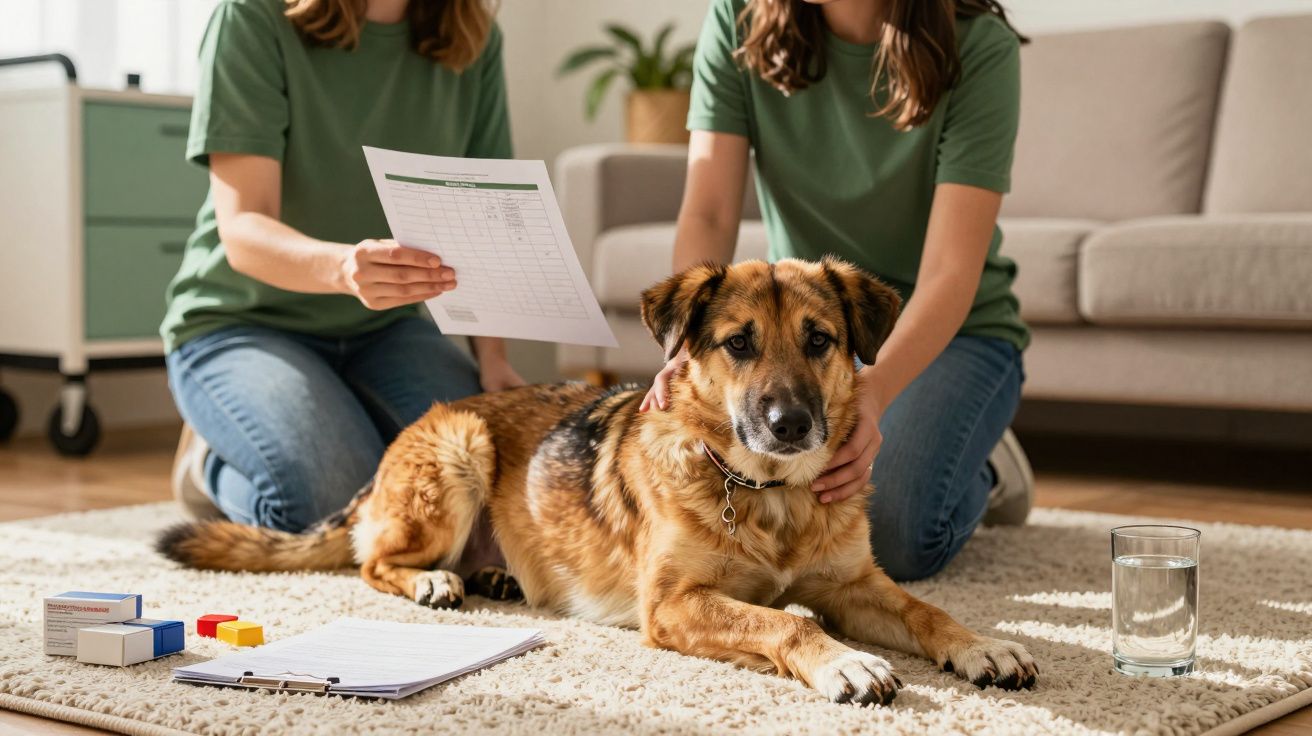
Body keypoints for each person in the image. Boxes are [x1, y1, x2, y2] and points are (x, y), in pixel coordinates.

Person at [641, 0, 1035, 580]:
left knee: (896, 535)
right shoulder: (738, 18)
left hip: (957, 334)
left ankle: (983, 464)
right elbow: (709, 210)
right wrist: (683, 351)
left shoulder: (979, 46)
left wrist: (875, 392)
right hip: (806, 334)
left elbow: (951, 270)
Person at [161, 0, 522, 533]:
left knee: (487, 484)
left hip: (385, 328)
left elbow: (480, 217)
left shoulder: (476, 41)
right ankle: (209, 464)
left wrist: (492, 358)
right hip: (241, 325)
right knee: (331, 502)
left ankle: (333, 425)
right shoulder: (252, 17)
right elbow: (243, 230)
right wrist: (343, 270)